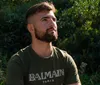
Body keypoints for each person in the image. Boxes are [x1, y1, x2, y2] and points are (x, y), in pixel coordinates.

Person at [6, 1, 81, 85]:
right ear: (31, 28)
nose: (52, 24)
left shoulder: (65, 59)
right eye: (45, 20)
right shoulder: (18, 62)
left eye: (54, 19)